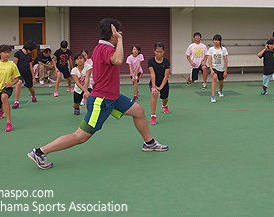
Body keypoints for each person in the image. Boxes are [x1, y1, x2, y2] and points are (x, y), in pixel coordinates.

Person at [27, 18, 168, 170]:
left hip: (114, 97)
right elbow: (118, 59)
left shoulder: (100, 48)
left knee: (139, 110)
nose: (121, 35)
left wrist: (118, 39)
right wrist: (120, 40)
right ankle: (40, 152)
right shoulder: (106, 49)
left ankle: (149, 143)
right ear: (113, 33)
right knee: (80, 136)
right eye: (119, 32)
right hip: (101, 101)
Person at [0, 45, 21, 132]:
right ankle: (1, 110)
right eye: (5, 52)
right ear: (0, 53)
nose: (7, 54)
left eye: (8, 53)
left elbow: (17, 78)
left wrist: (10, 84)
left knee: (4, 97)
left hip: (7, 87)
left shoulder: (12, 65)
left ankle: (8, 123)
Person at [148, 42, 171, 125]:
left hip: (164, 83)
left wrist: (160, 87)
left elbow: (166, 76)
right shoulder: (150, 61)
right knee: (154, 94)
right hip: (154, 82)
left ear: (164, 51)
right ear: (154, 51)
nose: (159, 53)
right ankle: (153, 115)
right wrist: (154, 87)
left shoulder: (166, 62)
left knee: (165, 98)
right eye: (157, 52)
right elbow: (152, 74)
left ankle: (164, 106)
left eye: (161, 52)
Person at [13, 40, 37, 109]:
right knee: (19, 82)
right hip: (19, 73)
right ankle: (16, 102)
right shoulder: (18, 54)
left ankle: (33, 96)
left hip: (27, 73)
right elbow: (14, 65)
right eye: (31, 50)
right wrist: (13, 75)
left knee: (30, 87)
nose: (32, 51)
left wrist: (33, 77)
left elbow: (31, 67)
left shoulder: (29, 56)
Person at [207, 34, 228, 103]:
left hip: (221, 69)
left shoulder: (223, 49)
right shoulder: (211, 49)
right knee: (214, 78)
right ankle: (213, 96)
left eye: (218, 40)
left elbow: (225, 60)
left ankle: (220, 90)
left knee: (221, 83)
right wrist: (211, 69)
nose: (216, 41)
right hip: (214, 67)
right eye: (215, 40)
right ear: (213, 41)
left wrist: (225, 71)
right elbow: (209, 60)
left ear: (220, 41)